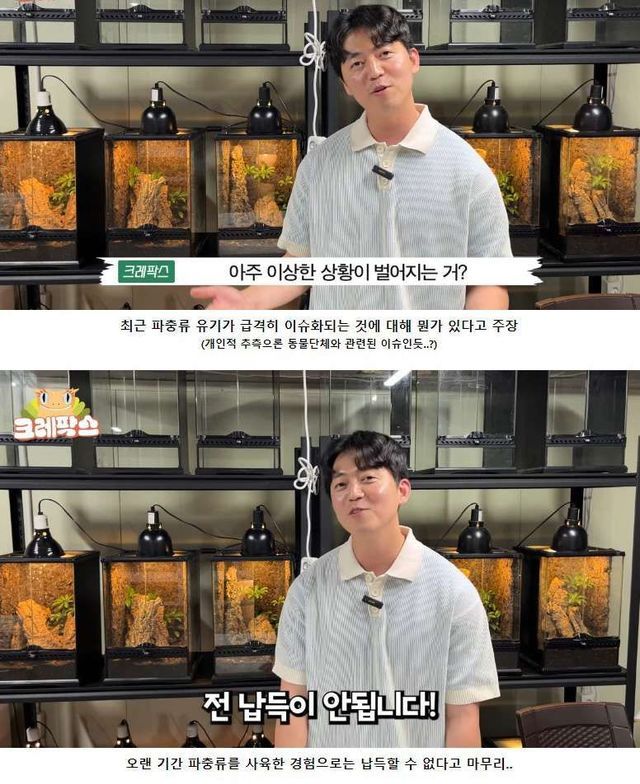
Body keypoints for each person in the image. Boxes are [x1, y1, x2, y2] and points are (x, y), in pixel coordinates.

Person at [192, 4, 511, 311]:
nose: (374, 71)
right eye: (357, 63)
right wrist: (247, 301)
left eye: (385, 53)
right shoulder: (319, 164)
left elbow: (490, 282)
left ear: (413, 59)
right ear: (345, 84)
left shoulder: (468, 169)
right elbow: (300, 263)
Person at [273, 431, 500, 748]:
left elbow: (462, 717)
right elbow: (293, 705)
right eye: (340, 484)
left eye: (368, 478)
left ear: (402, 490)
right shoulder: (307, 589)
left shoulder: (453, 592)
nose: (354, 493)